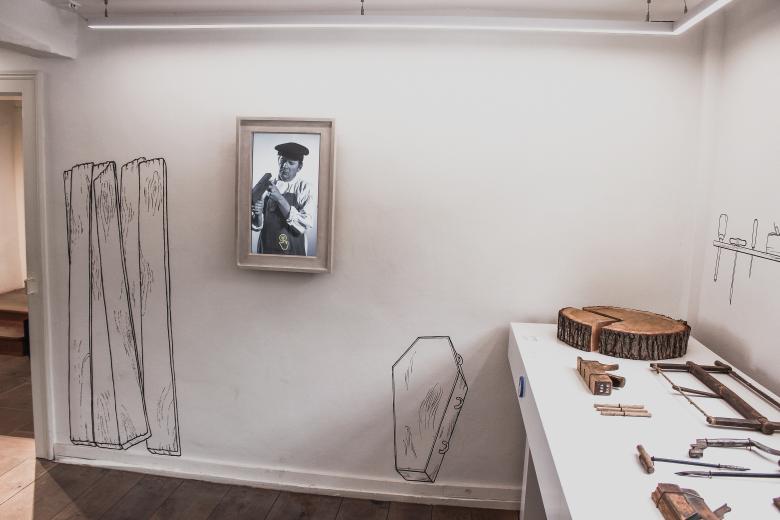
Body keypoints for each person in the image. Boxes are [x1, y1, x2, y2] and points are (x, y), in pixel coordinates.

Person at [251, 142, 314, 255]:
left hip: (293, 252)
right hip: (266, 250)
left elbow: (304, 225)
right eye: (283, 160)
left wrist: (280, 199)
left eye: (291, 163)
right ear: (278, 160)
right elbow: (256, 227)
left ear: (299, 167)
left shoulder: (305, 188)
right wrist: (258, 214)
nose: (285, 165)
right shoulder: (266, 184)